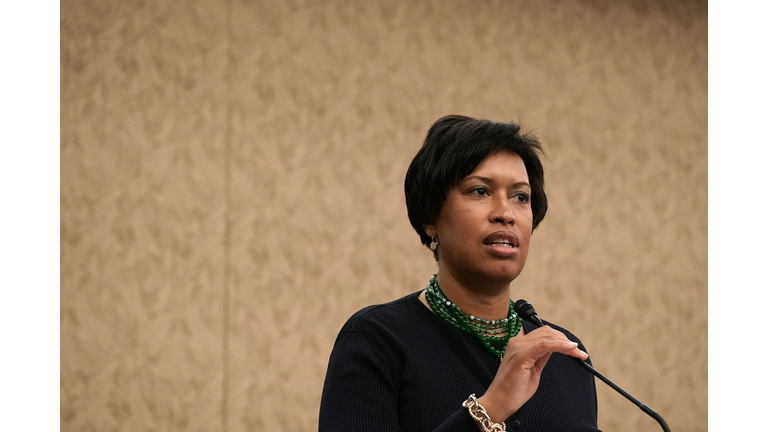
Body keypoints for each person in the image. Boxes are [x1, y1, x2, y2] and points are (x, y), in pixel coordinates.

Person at [319, 115, 600, 431]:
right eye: (480, 191)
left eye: (521, 197)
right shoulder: (377, 340)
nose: (506, 214)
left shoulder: (565, 354)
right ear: (431, 218)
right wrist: (489, 410)